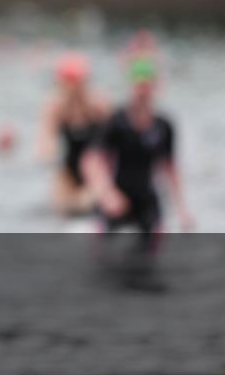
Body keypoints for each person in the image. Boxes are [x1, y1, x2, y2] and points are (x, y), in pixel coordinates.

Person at [81, 57, 193, 256]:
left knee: (153, 253)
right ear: (131, 86)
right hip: (118, 194)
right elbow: (91, 161)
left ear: (156, 87)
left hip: (146, 197)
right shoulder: (116, 121)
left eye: (147, 86)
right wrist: (107, 194)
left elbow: (170, 168)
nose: (143, 91)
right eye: (139, 86)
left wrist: (182, 209)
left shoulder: (164, 125)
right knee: (99, 254)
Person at [35, 53, 109, 216]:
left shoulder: (98, 105)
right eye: (68, 82)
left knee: (93, 202)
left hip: (96, 169)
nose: (72, 87)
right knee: (61, 206)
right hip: (69, 168)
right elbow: (45, 139)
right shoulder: (56, 107)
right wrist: (47, 152)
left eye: (76, 81)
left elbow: (115, 142)